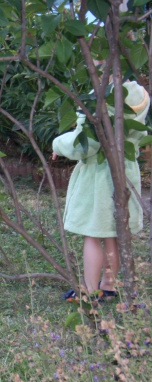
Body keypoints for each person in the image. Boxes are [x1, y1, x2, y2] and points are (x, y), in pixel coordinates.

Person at [52, 79, 149, 302]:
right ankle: (108, 285)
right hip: (124, 170)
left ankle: (87, 290)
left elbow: (88, 143)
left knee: (93, 234)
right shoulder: (139, 93)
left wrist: (58, 144)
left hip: (100, 175)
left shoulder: (102, 95)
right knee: (113, 233)